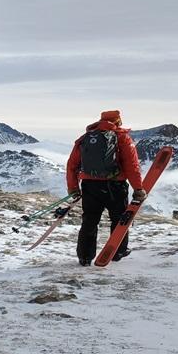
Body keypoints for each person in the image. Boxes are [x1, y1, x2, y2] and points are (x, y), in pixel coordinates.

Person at [66, 110, 147, 266]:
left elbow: (72, 166)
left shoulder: (85, 138)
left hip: (90, 185)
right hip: (115, 185)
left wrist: (73, 188)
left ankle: (84, 256)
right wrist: (138, 188)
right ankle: (118, 252)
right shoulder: (122, 137)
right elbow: (132, 166)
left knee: (90, 220)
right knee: (119, 220)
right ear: (117, 121)